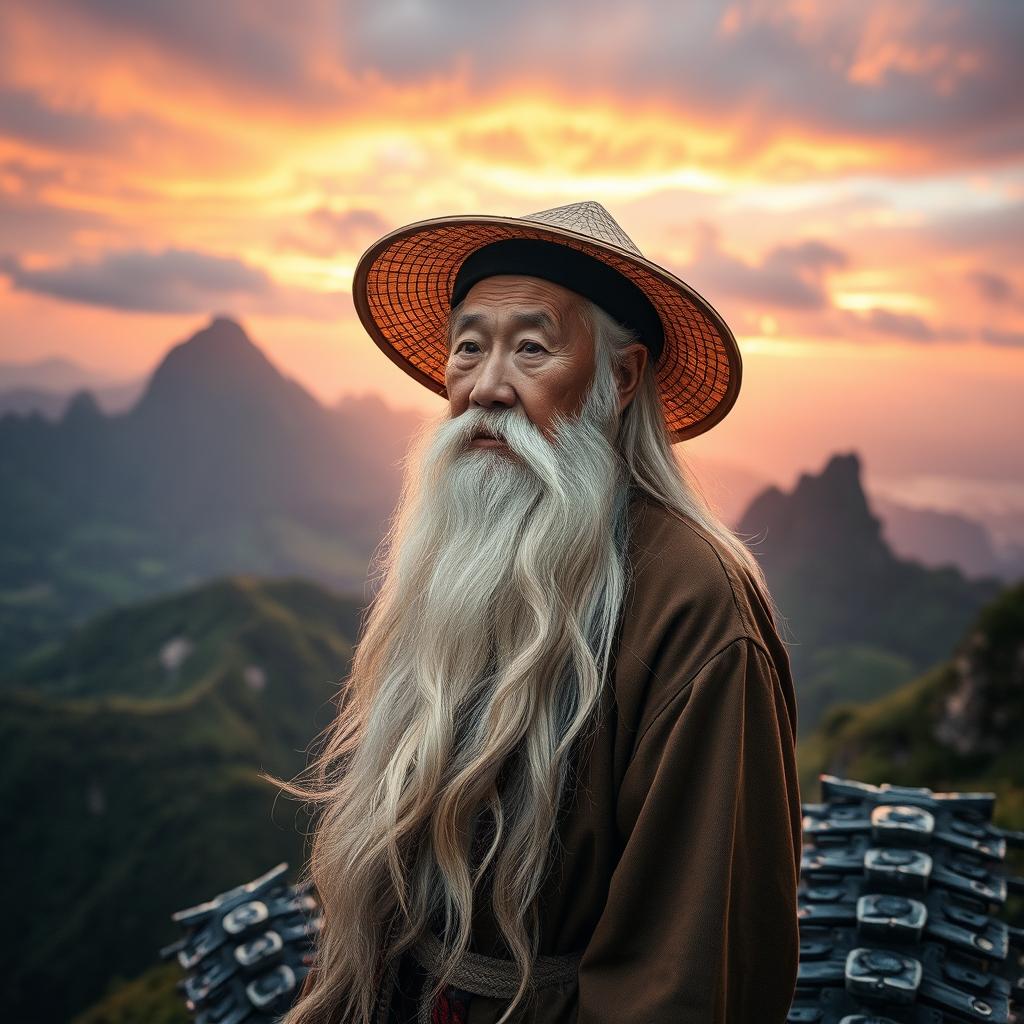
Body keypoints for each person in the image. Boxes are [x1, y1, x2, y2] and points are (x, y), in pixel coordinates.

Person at [277, 201, 802, 1024]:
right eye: (469, 347)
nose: (487, 387)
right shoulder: (457, 560)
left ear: (619, 380)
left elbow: (687, 968)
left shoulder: (694, 604)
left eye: (531, 348)